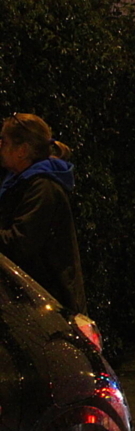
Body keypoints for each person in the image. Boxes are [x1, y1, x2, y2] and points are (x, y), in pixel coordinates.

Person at [0, 113, 86, 314]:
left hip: (44, 308)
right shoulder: (17, 182)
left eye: (3, 141)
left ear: (22, 150)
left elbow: (20, 244)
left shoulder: (42, 188)